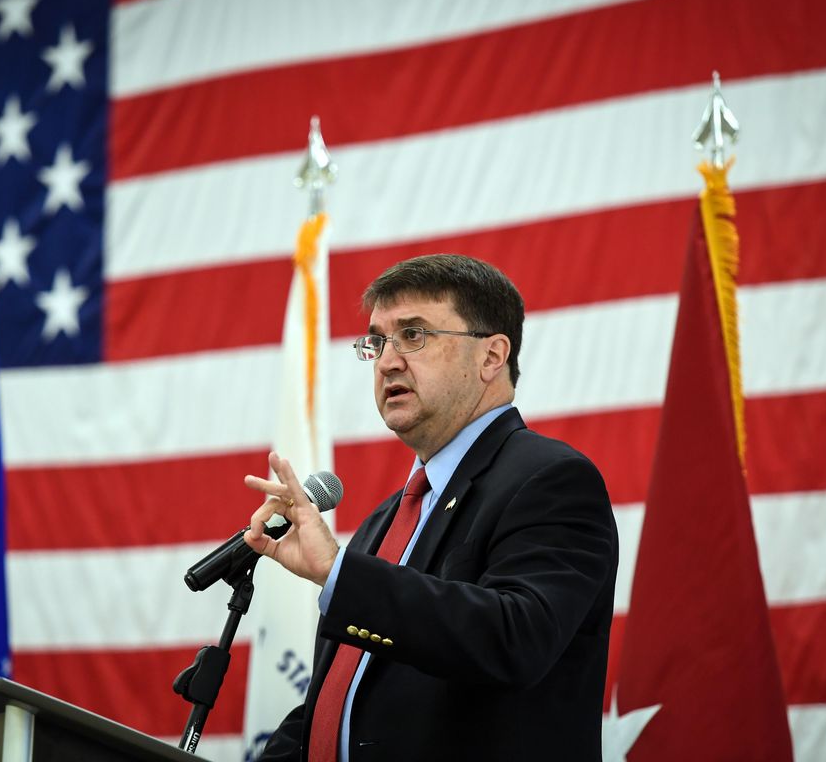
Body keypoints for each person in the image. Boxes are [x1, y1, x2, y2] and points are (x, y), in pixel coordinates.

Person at [243, 254, 618, 761]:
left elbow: (514, 638)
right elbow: (342, 706)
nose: (387, 361)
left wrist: (339, 572)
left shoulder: (549, 479)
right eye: (377, 341)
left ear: (491, 356)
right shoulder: (386, 520)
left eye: (414, 335)